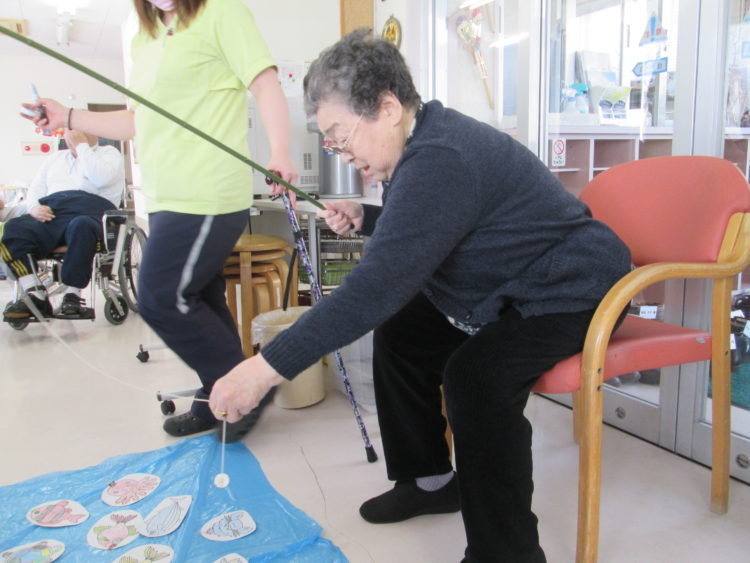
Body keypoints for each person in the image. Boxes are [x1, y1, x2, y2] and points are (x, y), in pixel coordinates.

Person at [208, 29, 633, 562]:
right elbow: (445, 221)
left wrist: (264, 368)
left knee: (475, 377)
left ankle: (507, 555)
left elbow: (375, 288)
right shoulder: (423, 142)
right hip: (513, 281)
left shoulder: (441, 156)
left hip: (575, 289)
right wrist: (370, 216)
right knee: (403, 330)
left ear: (387, 108)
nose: (342, 153)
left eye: (340, 135)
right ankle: (430, 481)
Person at [21, 0, 298, 441]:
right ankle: (217, 399)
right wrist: (67, 117)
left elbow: (265, 85)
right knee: (199, 296)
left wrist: (280, 152)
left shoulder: (221, 12)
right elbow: (138, 120)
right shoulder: (144, 38)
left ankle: (246, 389)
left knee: (160, 297)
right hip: (167, 195)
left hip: (207, 191)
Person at [1, 129, 125, 319]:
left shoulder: (109, 153)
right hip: (53, 210)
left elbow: (101, 179)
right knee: (14, 228)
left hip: (90, 210)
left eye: (78, 130)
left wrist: (82, 146)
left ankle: (72, 294)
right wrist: (34, 207)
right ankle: (34, 293)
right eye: (69, 131)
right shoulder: (55, 158)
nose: (71, 135)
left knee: (81, 226)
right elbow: (36, 188)